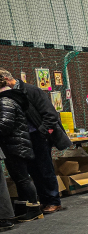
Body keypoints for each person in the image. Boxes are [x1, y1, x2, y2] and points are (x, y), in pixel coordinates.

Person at [0, 68, 66, 214]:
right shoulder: (11, 94)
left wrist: (42, 133)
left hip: (38, 135)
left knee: (45, 169)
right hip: (26, 138)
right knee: (34, 171)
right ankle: (44, 201)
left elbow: (51, 115)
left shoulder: (31, 90)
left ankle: (54, 201)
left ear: (6, 78)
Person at [0, 76, 42, 222]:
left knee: (23, 178)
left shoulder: (5, 101)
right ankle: (25, 208)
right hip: (16, 144)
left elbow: (5, 125)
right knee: (19, 178)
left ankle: (34, 209)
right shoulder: (10, 99)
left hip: (15, 145)